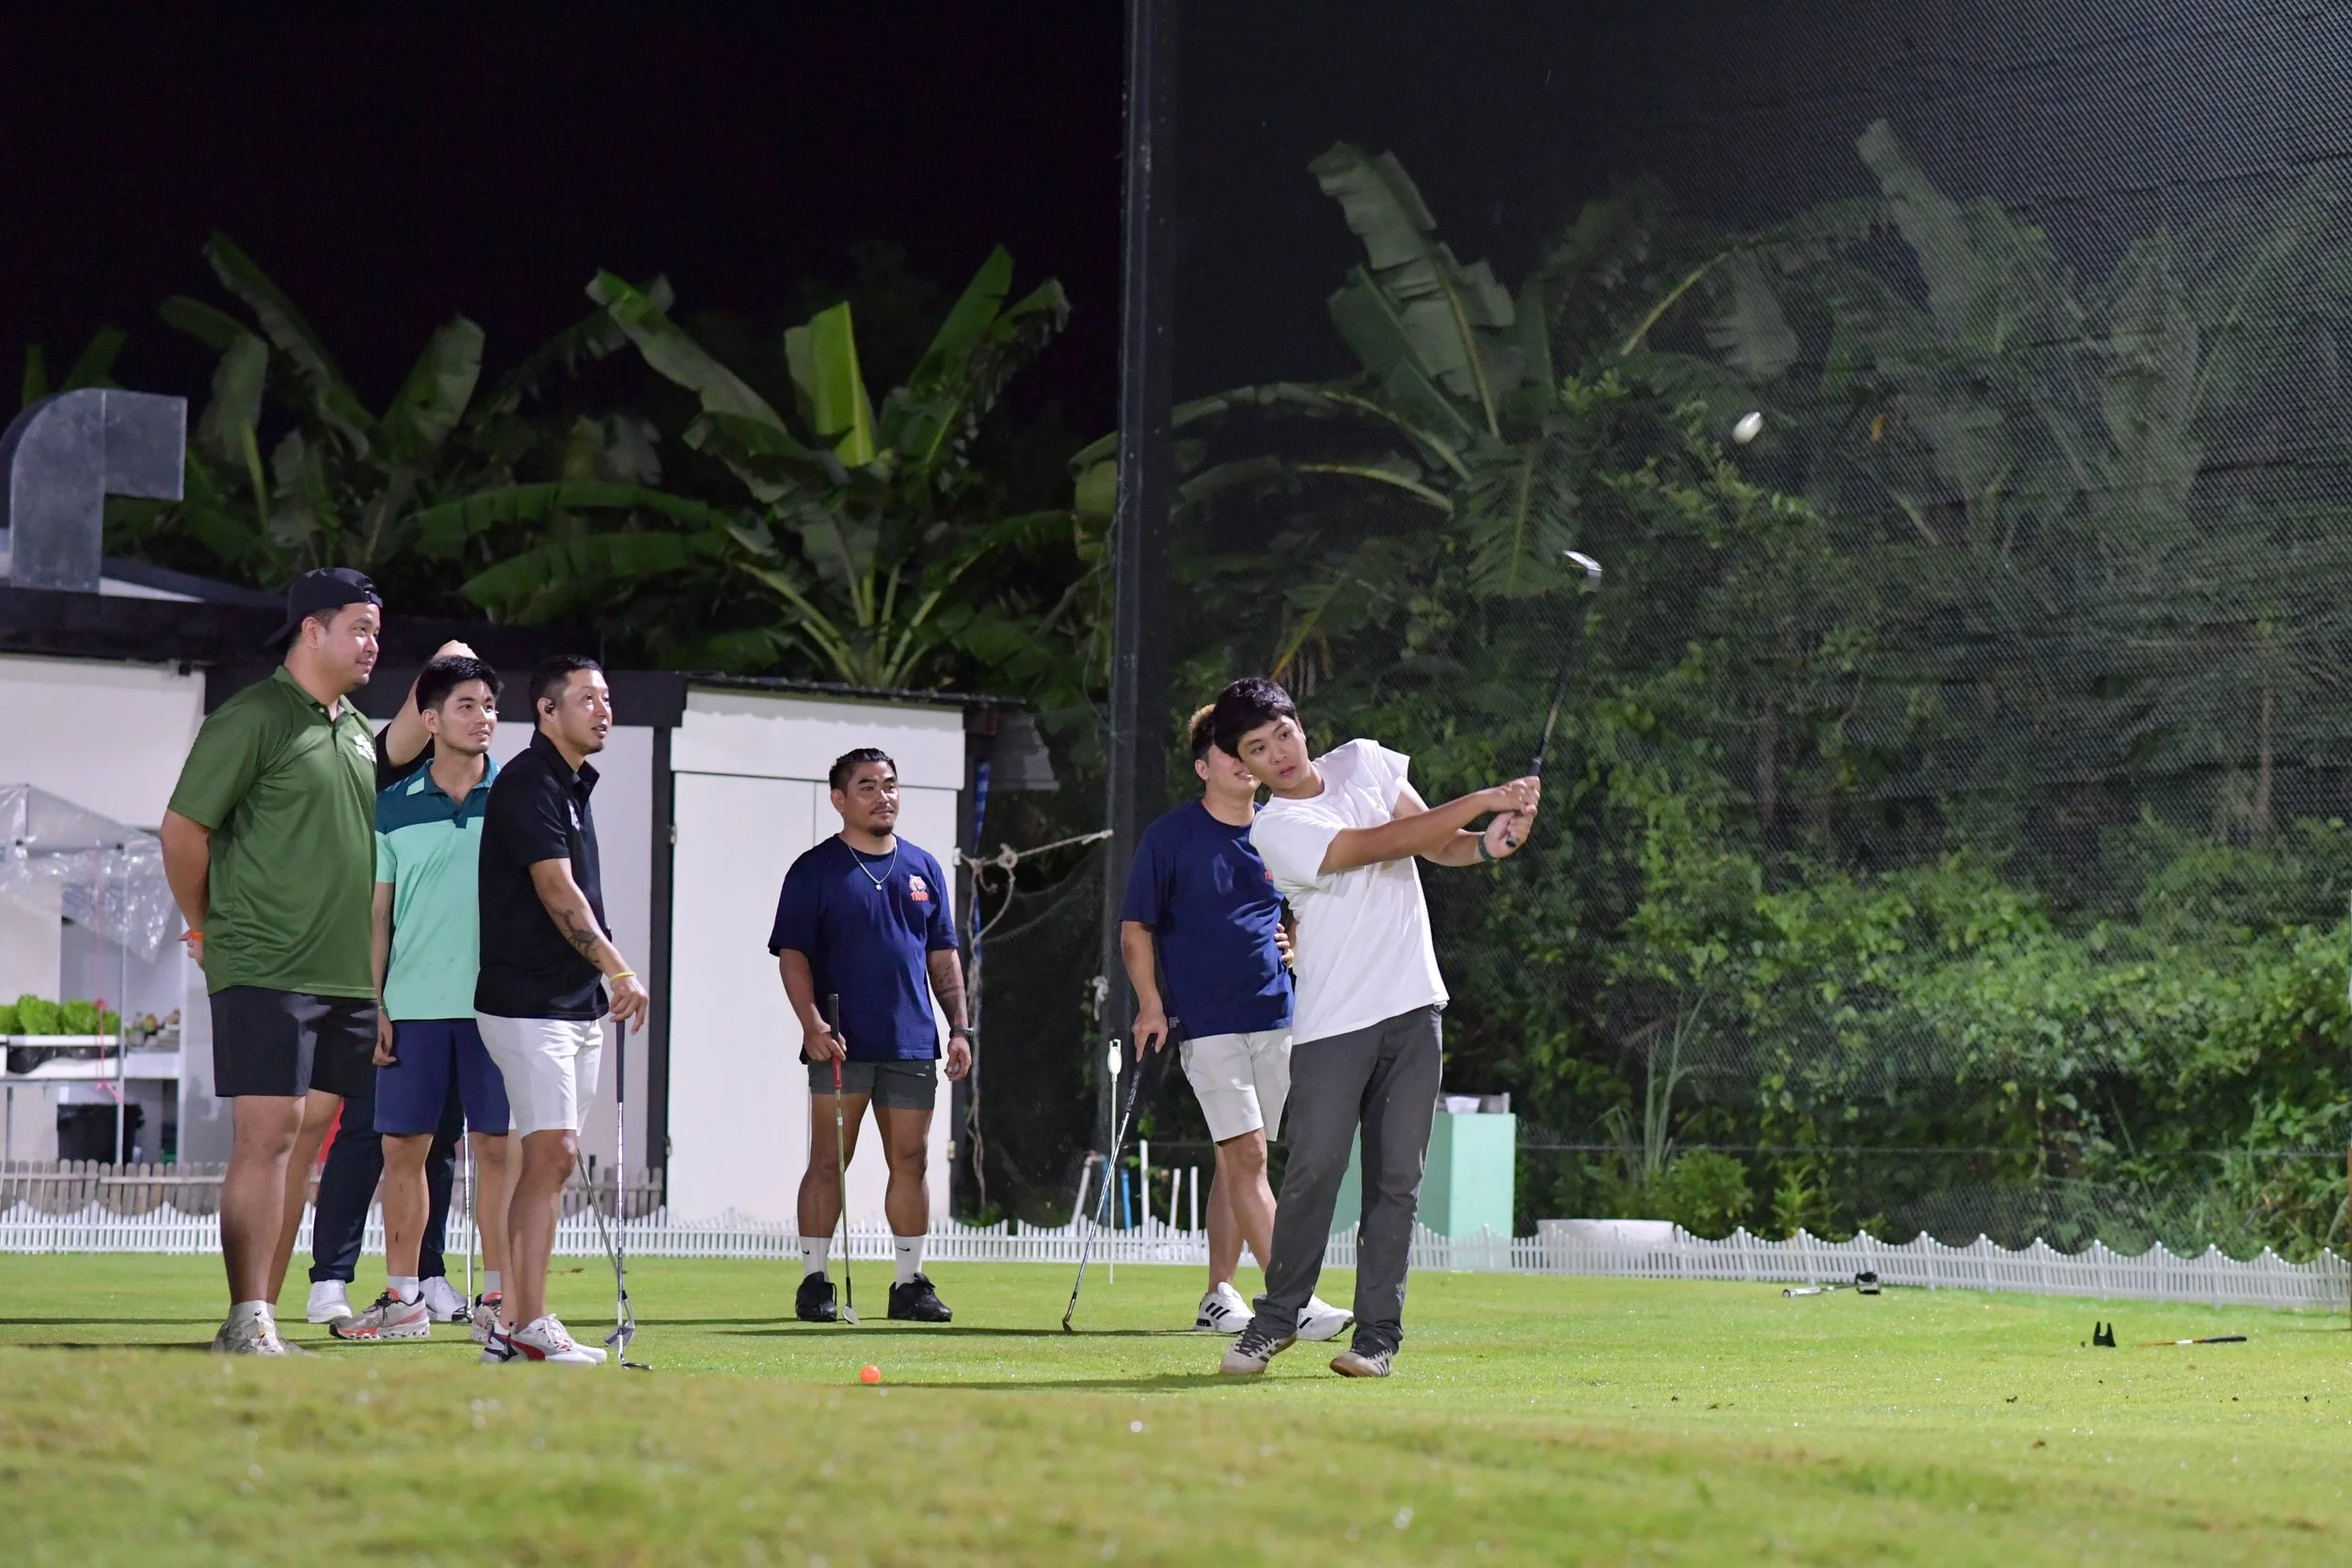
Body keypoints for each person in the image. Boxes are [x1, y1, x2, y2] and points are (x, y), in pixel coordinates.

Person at [1209, 677, 1539, 1380]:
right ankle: (1274, 1323)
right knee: (1314, 1173)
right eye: (1258, 750)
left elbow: (1439, 846)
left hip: (1415, 1007)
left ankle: (1377, 1339)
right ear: (1245, 766)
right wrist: (1485, 798)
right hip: (1334, 1023)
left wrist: (1490, 843)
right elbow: (1380, 842)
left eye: (1283, 734)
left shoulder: (1367, 761)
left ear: (1301, 723)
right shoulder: (1274, 827)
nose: (1280, 755)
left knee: (1397, 1182)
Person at [160, 567, 387, 1354]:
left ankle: (265, 1313)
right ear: (311, 630)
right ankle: (245, 1313)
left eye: (376, 630)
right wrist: (204, 925)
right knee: (269, 1132)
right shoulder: (253, 714)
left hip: (345, 974)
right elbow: (184, 830)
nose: (372, 643)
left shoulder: (357, 728)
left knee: (309, 1137)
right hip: (263, 961)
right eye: (359, 626)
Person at [1120, 705, 1350, 1340]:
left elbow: (1304, 906)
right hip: (1206, 1021)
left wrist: (1297, 942)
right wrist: (1149, 1002)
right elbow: (1135, 925)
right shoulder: (1170, 837)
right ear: (1204, 766)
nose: (1245, 759)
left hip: (1278, 1015)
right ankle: (1292, 1299)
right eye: (1230, 750)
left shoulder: (1280, 829)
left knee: (1240, 1157)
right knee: (1245, 1151)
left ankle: (1218, 1293)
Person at [333, 655, 517, 1343]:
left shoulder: (516, 799)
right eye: (467, 705)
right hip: (411, 1009)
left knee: (498, 1154)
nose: (483, 718)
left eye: (490, 706)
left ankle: (499, 1299)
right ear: (432, 719)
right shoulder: (391, 806)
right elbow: (378, 917)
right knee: (402, 1150)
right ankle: (404, 1297)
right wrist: (376, 1003)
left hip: (498, 1008)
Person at [474, 655, 649, 1367]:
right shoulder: (529, 781)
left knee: (543, 1159)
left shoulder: (573, 785)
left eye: (606, 697)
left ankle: (512, 1328)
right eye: (586, 698)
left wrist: (600, 978)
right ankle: (529, 1322)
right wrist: (620, 968)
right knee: (553, 1153)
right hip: (527, 1002)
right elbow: (557, 891)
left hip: (574, 1003)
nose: (602, 709)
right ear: (547, 710)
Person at [304, 642, 484, 1329]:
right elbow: (434, 679)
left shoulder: (468, 783)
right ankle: (332, 1275)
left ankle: (427, 1272)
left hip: (448, 997)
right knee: (364, 1130)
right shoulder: (380, 776)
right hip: (370, 982)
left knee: (436, 1139)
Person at [771, 748, 971, 1325]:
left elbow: (943, 955)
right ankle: (815, 1281)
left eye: (890, 785)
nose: (883, 796)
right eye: (867, 787)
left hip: (911, 1040)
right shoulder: (814, 870)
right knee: (829, 1160)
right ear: (839, 800)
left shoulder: (924, 868)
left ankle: (909, 1284)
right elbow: (793, 956)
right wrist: (811, 1024)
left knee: (911, 1160)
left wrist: (959, 1027)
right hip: (841, 1043)